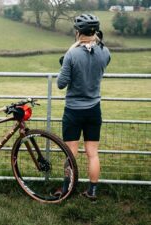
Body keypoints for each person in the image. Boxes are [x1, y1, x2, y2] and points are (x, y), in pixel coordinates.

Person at [57, 14, 111, 201]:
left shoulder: (72, 53)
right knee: (92, 153)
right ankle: (92, 191)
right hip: (94, 108)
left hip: (73, 110)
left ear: (78, 32)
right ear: (95, 31)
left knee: (71, 152)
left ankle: (66, 189)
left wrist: (65, 63)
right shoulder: (105, 52)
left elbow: (61, 84)